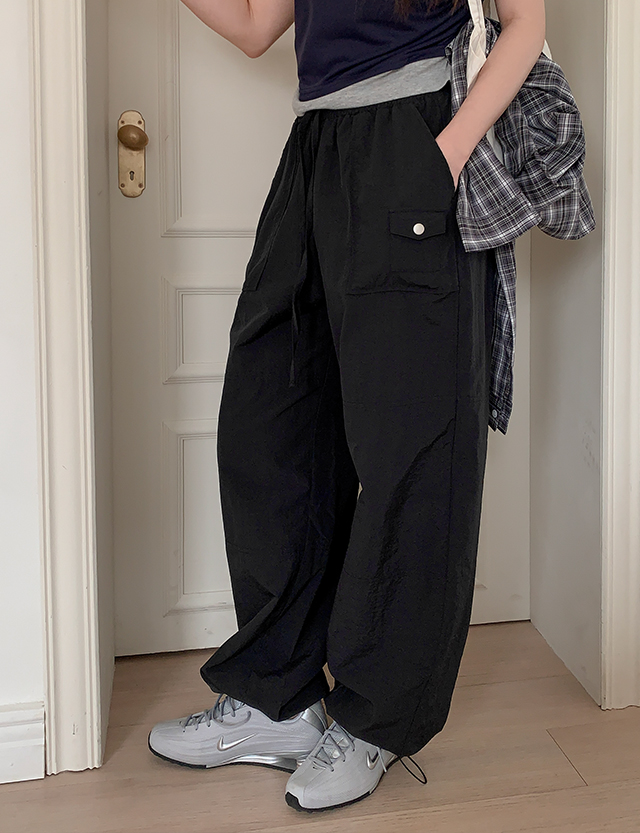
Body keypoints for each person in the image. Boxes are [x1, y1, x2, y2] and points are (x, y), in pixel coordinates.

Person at [148, 0, 546, 813]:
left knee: (411, 443)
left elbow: (526, 24)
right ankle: (279, 697)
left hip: (413, 134)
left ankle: (375, 717)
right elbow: (257, 26)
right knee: (272, 422)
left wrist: (442, 158)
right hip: (315, 146)